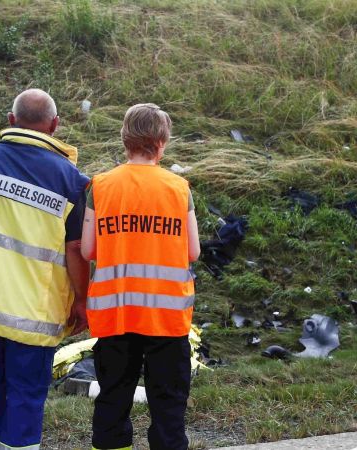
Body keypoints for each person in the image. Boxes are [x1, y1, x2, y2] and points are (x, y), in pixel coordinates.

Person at [0, 89, 90, 450]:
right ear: (55, 125)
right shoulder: (72, 182)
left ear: (12, 120)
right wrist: (82, 300)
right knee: (26, 396)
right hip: (34, 314)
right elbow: (77, 249)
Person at [80, 103, 201, 450]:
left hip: (116, 315)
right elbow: (192, 251)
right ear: (161, 142)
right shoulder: (178, 188)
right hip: (167, 318)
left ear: (125, 139)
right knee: (168, 407)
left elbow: (88, 250)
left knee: (113, 402)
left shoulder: (101, 186)